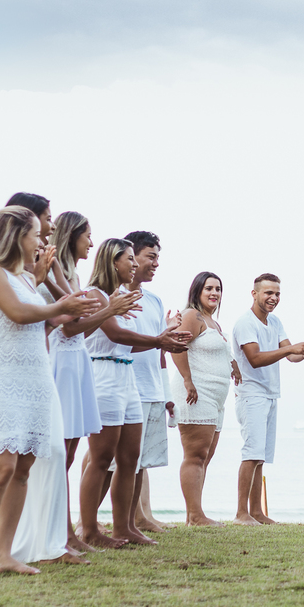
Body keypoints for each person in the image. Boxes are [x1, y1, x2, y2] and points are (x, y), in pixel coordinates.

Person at [0, 206, 99, 582]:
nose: (41, 241)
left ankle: (3, 555)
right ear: (15, 235)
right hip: (1, 381)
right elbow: (19, 314)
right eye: (36, 234)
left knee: (22, 469)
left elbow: (48, 316)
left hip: (35, 380)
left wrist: (55, 292)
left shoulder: (23, 277)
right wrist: (61, 303)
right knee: (1, 467)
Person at [79, 239, 188, 548]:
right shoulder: (97, 295)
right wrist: (159, 341)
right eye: (131, 259)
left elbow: (132, 343)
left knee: (131, 458)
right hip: (103, 374)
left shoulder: (132, 298)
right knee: (101, 458)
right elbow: (114, 333)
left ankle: (124, 527)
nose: (136, 265)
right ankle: (88, 530)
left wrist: (163, 340)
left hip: (126, 373)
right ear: (114, 262)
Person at [230, 274, 304, 526]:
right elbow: (255, 358)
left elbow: (290, 355)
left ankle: (257, 513)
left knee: (261, 457)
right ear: (254, 294)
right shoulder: (245, 323)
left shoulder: (276, 321)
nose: (273, 298)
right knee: (251, 453)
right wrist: (290, 349)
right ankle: (241, 514)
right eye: (268, 293)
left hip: (270, 394)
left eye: (277, 294)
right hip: (251, 394)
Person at [172, 272, 241, 526]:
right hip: (196, 393)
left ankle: (196, 512)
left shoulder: (213, 322)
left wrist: (233, 366)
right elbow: (176, 347)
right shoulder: (191, 315)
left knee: (206, 456)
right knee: (195, 454)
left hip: (215, 397)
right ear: (198, 291)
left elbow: (216, 351)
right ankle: (195, 515)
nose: (215, 293)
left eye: (218, 289)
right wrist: (188, 380)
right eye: (209, 288)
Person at [124, 231, 174, 533]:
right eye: (151, 256)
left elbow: (160, 349)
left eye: (158, 258)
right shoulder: (112, 294)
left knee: (140, 459)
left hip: (151, 385)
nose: (156, 263)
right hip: (122, 384)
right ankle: (88, 522)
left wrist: (166, 392)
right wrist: (161, 339)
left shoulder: (154, 300)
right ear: (132, 255)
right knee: (107, 459)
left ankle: (141, 516)